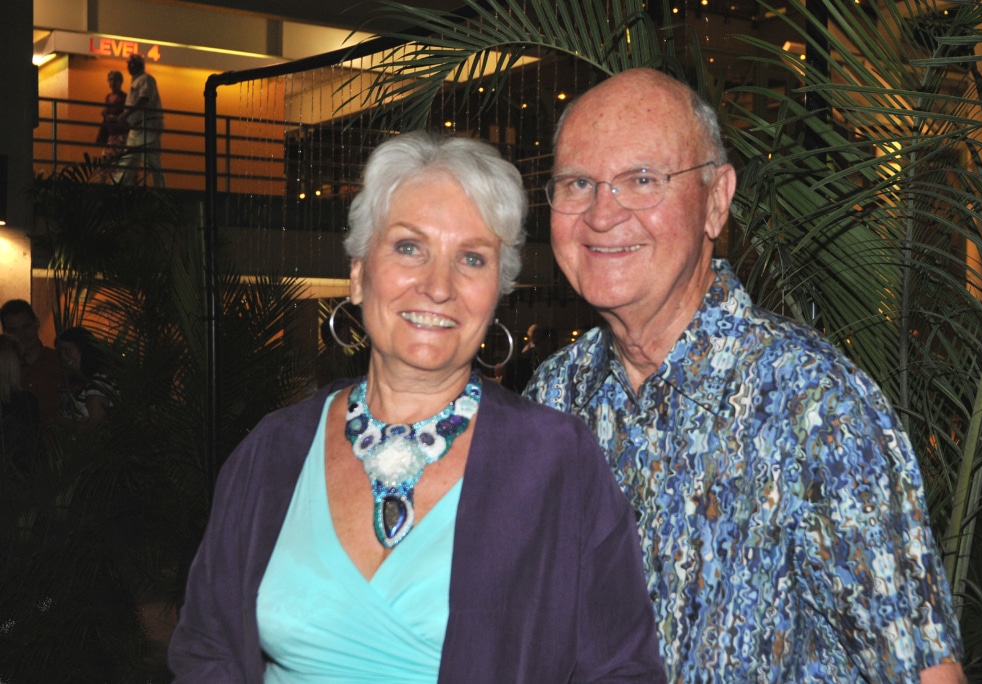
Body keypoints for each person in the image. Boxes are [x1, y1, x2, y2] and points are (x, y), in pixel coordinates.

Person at [168, 131, 663, 682]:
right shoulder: (271, 451)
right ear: (358, 273)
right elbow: (205, 651)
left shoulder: (556, 462)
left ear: (497, 292)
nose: (437, 286)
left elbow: (622, 668)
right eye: (409, 247)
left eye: (471, 259)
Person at [523, 68, 966, 683]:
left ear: (716, 200)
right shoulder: (551, 400)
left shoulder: (814, 406)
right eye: (577, 183)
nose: (602, 213)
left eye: (642, 180)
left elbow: (923, 673)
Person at [0, 299, 62, 429]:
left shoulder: (58, 360)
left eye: (26, 327)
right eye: (14, 330)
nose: (21, 335)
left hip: (60, 442)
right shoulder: (5, 371)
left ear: (37, 323)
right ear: (6, 333)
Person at [54, 326, 117, 432]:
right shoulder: (85, 382)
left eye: (67, 350)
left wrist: (61, 422)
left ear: (83, 348)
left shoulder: (98, 383)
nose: (64, 357)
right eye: (60, 353)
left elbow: (95, 427)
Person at [116, 53, 165, 188]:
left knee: (151, 161)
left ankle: (160, 190)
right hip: (137, 127)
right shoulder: (138, 80)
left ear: (139, 65)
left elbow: (144, 99)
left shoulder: (146, 79)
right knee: (128, 161)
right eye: (128, 63)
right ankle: (118, 187)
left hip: (146, 126)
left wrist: (126, 115)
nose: (129, 66)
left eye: (131, 63)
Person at [0, 334, 42, 477]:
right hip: (19, 478)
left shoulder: (26, 400)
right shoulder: (26, 401)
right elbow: (34, 448)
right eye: (21, 360)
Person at [97, 69, 128, 182]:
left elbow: (128, 116)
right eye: (111, 79)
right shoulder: (108, 97)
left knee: (116, 167)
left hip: (120, 136)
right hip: (111, 136)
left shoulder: (125, 98)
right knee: (104, 165)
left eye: (116, 79)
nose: (113, 82)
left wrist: (115, 118)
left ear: (121, 82)